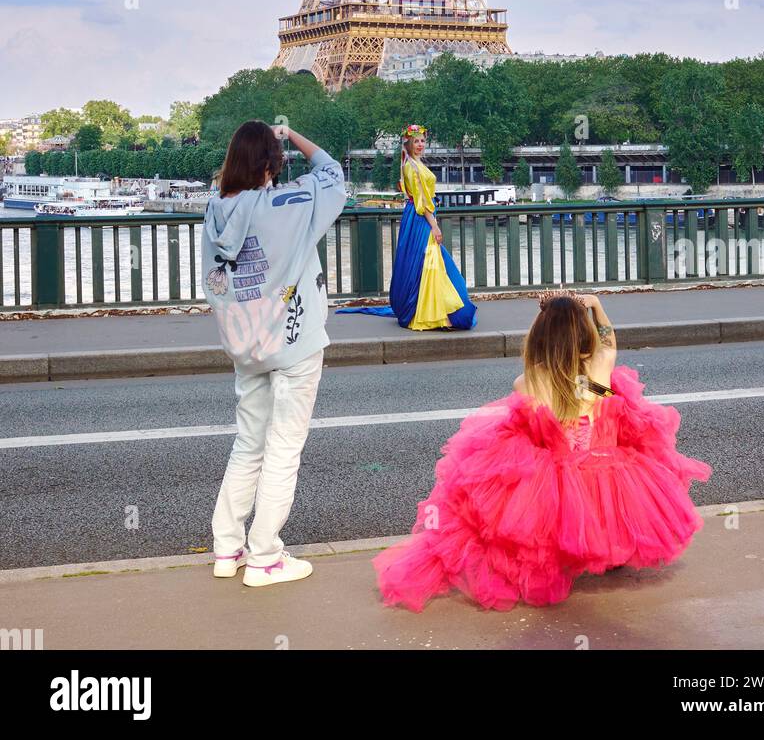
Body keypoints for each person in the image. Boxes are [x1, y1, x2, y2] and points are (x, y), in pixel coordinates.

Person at [373, 288, 712, 611]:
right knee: (604, 509)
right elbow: (608, 339)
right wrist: (594, 306)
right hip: (605, 466)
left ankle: (563, 562)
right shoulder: (600, 367)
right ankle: (603, 556)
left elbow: (533, 427)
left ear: (540, 338)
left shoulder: (527, 382)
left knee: (546, 516)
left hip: (559, 468)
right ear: (583, 336)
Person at [202, 120, 346, 588]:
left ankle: (228, 548)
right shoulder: (288, 203)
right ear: (271, 164)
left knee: (248, 446)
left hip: (246, 346)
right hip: (294, 341)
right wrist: (294, 134)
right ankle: (266, 558)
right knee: (284, 450)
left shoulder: (214, 209)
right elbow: (330, 171)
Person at [336, 122, 476, 330]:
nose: (420, 144)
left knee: (425, 265)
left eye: (422, 141)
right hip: (421, 218)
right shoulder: (411, 166)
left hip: (416, 217)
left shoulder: (412, 164)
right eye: (416, 141)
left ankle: (433, 312)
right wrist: (434, 226)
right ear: (408, 144)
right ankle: (436, 315)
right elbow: (421, 201)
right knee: (430, 264)